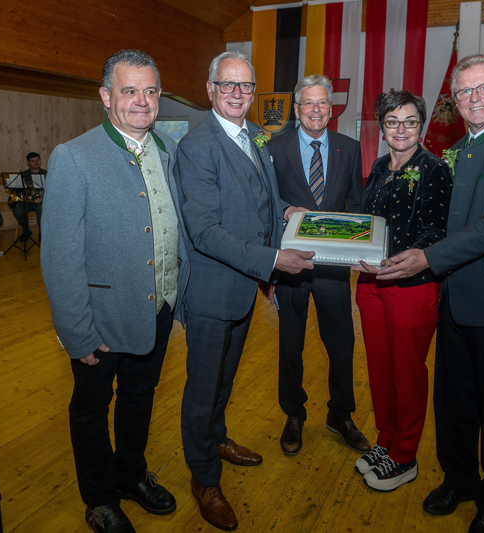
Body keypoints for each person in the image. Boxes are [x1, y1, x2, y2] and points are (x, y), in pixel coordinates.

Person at [369, 54, 484, 533]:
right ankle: (458, 479)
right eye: (465, 92)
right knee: (455, 402)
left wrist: (427, 257)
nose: (474, 98)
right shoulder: (463, 150)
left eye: (483, 88)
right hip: (454, 297)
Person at [40, 49, 189, 533]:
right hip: (100, 319)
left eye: (149, 91)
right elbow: (60, 258)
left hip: (158, 308)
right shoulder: (74, 157)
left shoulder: (167, 149)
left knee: (139, 399)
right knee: (90, 410)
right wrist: (77, 334)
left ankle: (131, 475)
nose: (141, 101)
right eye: (129, 91)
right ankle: (100, 498)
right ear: (106, 97)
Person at [175, 50, 314, 531]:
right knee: (201, 390)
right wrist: (275, 261)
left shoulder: (255, 138)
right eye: (227, 85)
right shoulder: (198, 146)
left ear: (253, 94)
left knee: (224, 382)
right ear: (210, 90)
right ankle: (203, 477)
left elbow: (262, 207)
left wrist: (291, 215)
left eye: (245, 86)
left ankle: (216, 439)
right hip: (212, 293)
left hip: (243, 290)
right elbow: (206, 232)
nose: (237, 93)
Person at [351, 90, 452, 491]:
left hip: (411, 286)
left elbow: (438, 230)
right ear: (382, 126)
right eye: (393, 121)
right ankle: (387, 439)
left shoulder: (434, 169)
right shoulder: (377, 167)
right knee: (380, 368)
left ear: (420, 126)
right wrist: (353, 249)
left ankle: (406, 455)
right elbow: (367, 223)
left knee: (407, 372)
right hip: (371, 283)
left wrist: (414, 255)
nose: (401, 129)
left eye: (410, 121)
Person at [268, 74, 369, 456]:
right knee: (291, 345)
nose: (315, 109)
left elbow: (357, 207)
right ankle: (293, 415)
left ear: (331, 109)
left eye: (322, 103)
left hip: (333, 268)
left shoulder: (350, 148)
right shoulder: (275, 148)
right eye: (308, 103)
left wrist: (360, 247)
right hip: (291, 267)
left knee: (341, 344)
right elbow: (268, 202)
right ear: (296, 109)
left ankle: (340, 415)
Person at [13, 152, 46, 241]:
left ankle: (42, 232)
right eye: (32, 161)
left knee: (41, 210)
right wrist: (26, 198)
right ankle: (26, 229)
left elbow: (53, 190)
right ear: (28, 163)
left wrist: (42, 198)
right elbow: (18, 191)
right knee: (18, 210)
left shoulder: (46, 174)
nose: (36, 162)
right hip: (27, 202)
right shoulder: (23, 175)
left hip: (41, 202)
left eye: (37, 160)